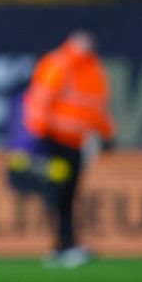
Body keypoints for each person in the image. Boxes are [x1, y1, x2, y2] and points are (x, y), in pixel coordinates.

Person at [21, 29, 116, 268]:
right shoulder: (60, 63)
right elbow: (41, 98)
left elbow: (98, 106)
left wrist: (107, 133)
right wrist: (40, 133)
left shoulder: (93, 69)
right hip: (55, 139)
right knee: (59, 193)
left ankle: (66, 244)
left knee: (69, 194)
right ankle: (63, 244)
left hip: (77, 142)